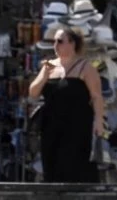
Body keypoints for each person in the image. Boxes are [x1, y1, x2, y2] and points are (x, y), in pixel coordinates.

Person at [28, 25, 104, 183]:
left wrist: (99, 121)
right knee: (51, 166)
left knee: (73, 166)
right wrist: (44, 75)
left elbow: (96, 96)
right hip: (51, 125)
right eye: (54, 41)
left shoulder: (86, 68)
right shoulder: (49, 65)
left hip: (76, 125)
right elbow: (33, 93)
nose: (55, 45)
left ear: (72, 44)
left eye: (60, 41)